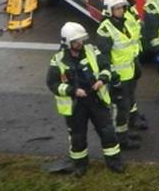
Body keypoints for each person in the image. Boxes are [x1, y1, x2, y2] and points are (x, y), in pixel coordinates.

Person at [46, 22, 124, 175]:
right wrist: (72, 90)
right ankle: (80, 165)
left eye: (81, 40)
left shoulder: (92, 50)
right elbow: (52, 83)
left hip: (96, 99)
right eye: (76, 41)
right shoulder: (58, 60)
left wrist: (102, 79)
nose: (80, 43)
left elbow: (107, 67)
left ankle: (114, 162)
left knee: (107, 132)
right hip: (76, 105)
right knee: (78, 137)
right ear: (68, 42)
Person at [94, 0, 144, 149]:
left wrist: (135, 65)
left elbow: (130, 45)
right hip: (118, 77)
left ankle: (124, 132)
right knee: (120, 108)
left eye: (122, 7)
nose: (121, 11)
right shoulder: (105, 30)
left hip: (128, 73)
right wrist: (113, 76)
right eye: (117, 8)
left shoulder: (124, 23)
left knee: (127, 104)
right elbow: (103, 58)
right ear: (109, 10)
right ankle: (120, 138)